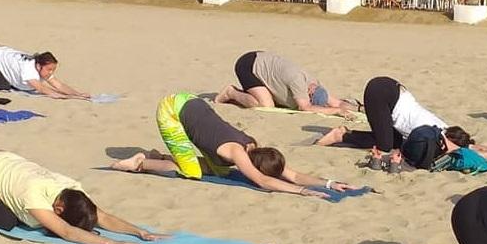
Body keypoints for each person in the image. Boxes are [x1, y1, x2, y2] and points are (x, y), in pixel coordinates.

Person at [112, 93, 355, 199]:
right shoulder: (238, 152)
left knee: (218, 170)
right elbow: (263, 181)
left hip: (193, 102)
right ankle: (141, 162)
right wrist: (301, 192)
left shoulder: (255, 147)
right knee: (191, 171)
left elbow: (292, 174)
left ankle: (161, 155)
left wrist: (329, 183)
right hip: (172, 110)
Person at [0, 148, 158, 244]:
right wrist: (111, 243)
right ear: (59, 209)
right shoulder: (34, 195)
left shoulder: (72, 188)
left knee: (15, 213)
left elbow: (103, 216)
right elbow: (67, 231)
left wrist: (139, 232)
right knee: (5, 221)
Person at [316, 76, 487, 172]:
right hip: (381, 93)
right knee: (385, 145)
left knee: (394, 140)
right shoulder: (433, 134)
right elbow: (467, 150)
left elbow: (471, 147)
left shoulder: (443, 128)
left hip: (391, 89)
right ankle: (342, 135)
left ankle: (345, 134)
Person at [216, 51, 354, 116]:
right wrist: (336, 111)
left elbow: (337, 102)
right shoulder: (298, 82)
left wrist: (359, 108)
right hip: (249, 65)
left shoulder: (315, 84)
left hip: (267, 64)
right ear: (309, 93)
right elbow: (305, 107)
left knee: (274, 100)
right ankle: (231, 92)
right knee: (265, 105)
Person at [0, 43, 89, 99]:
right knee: (2, 86)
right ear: (39, 66)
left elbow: (59, 85)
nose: (50, 73)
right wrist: (72, 97)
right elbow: (44, 89)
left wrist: (77, 93)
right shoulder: (29, 70)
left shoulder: (41, 66)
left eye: (52, 70)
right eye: (49, 69)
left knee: (8, 82)